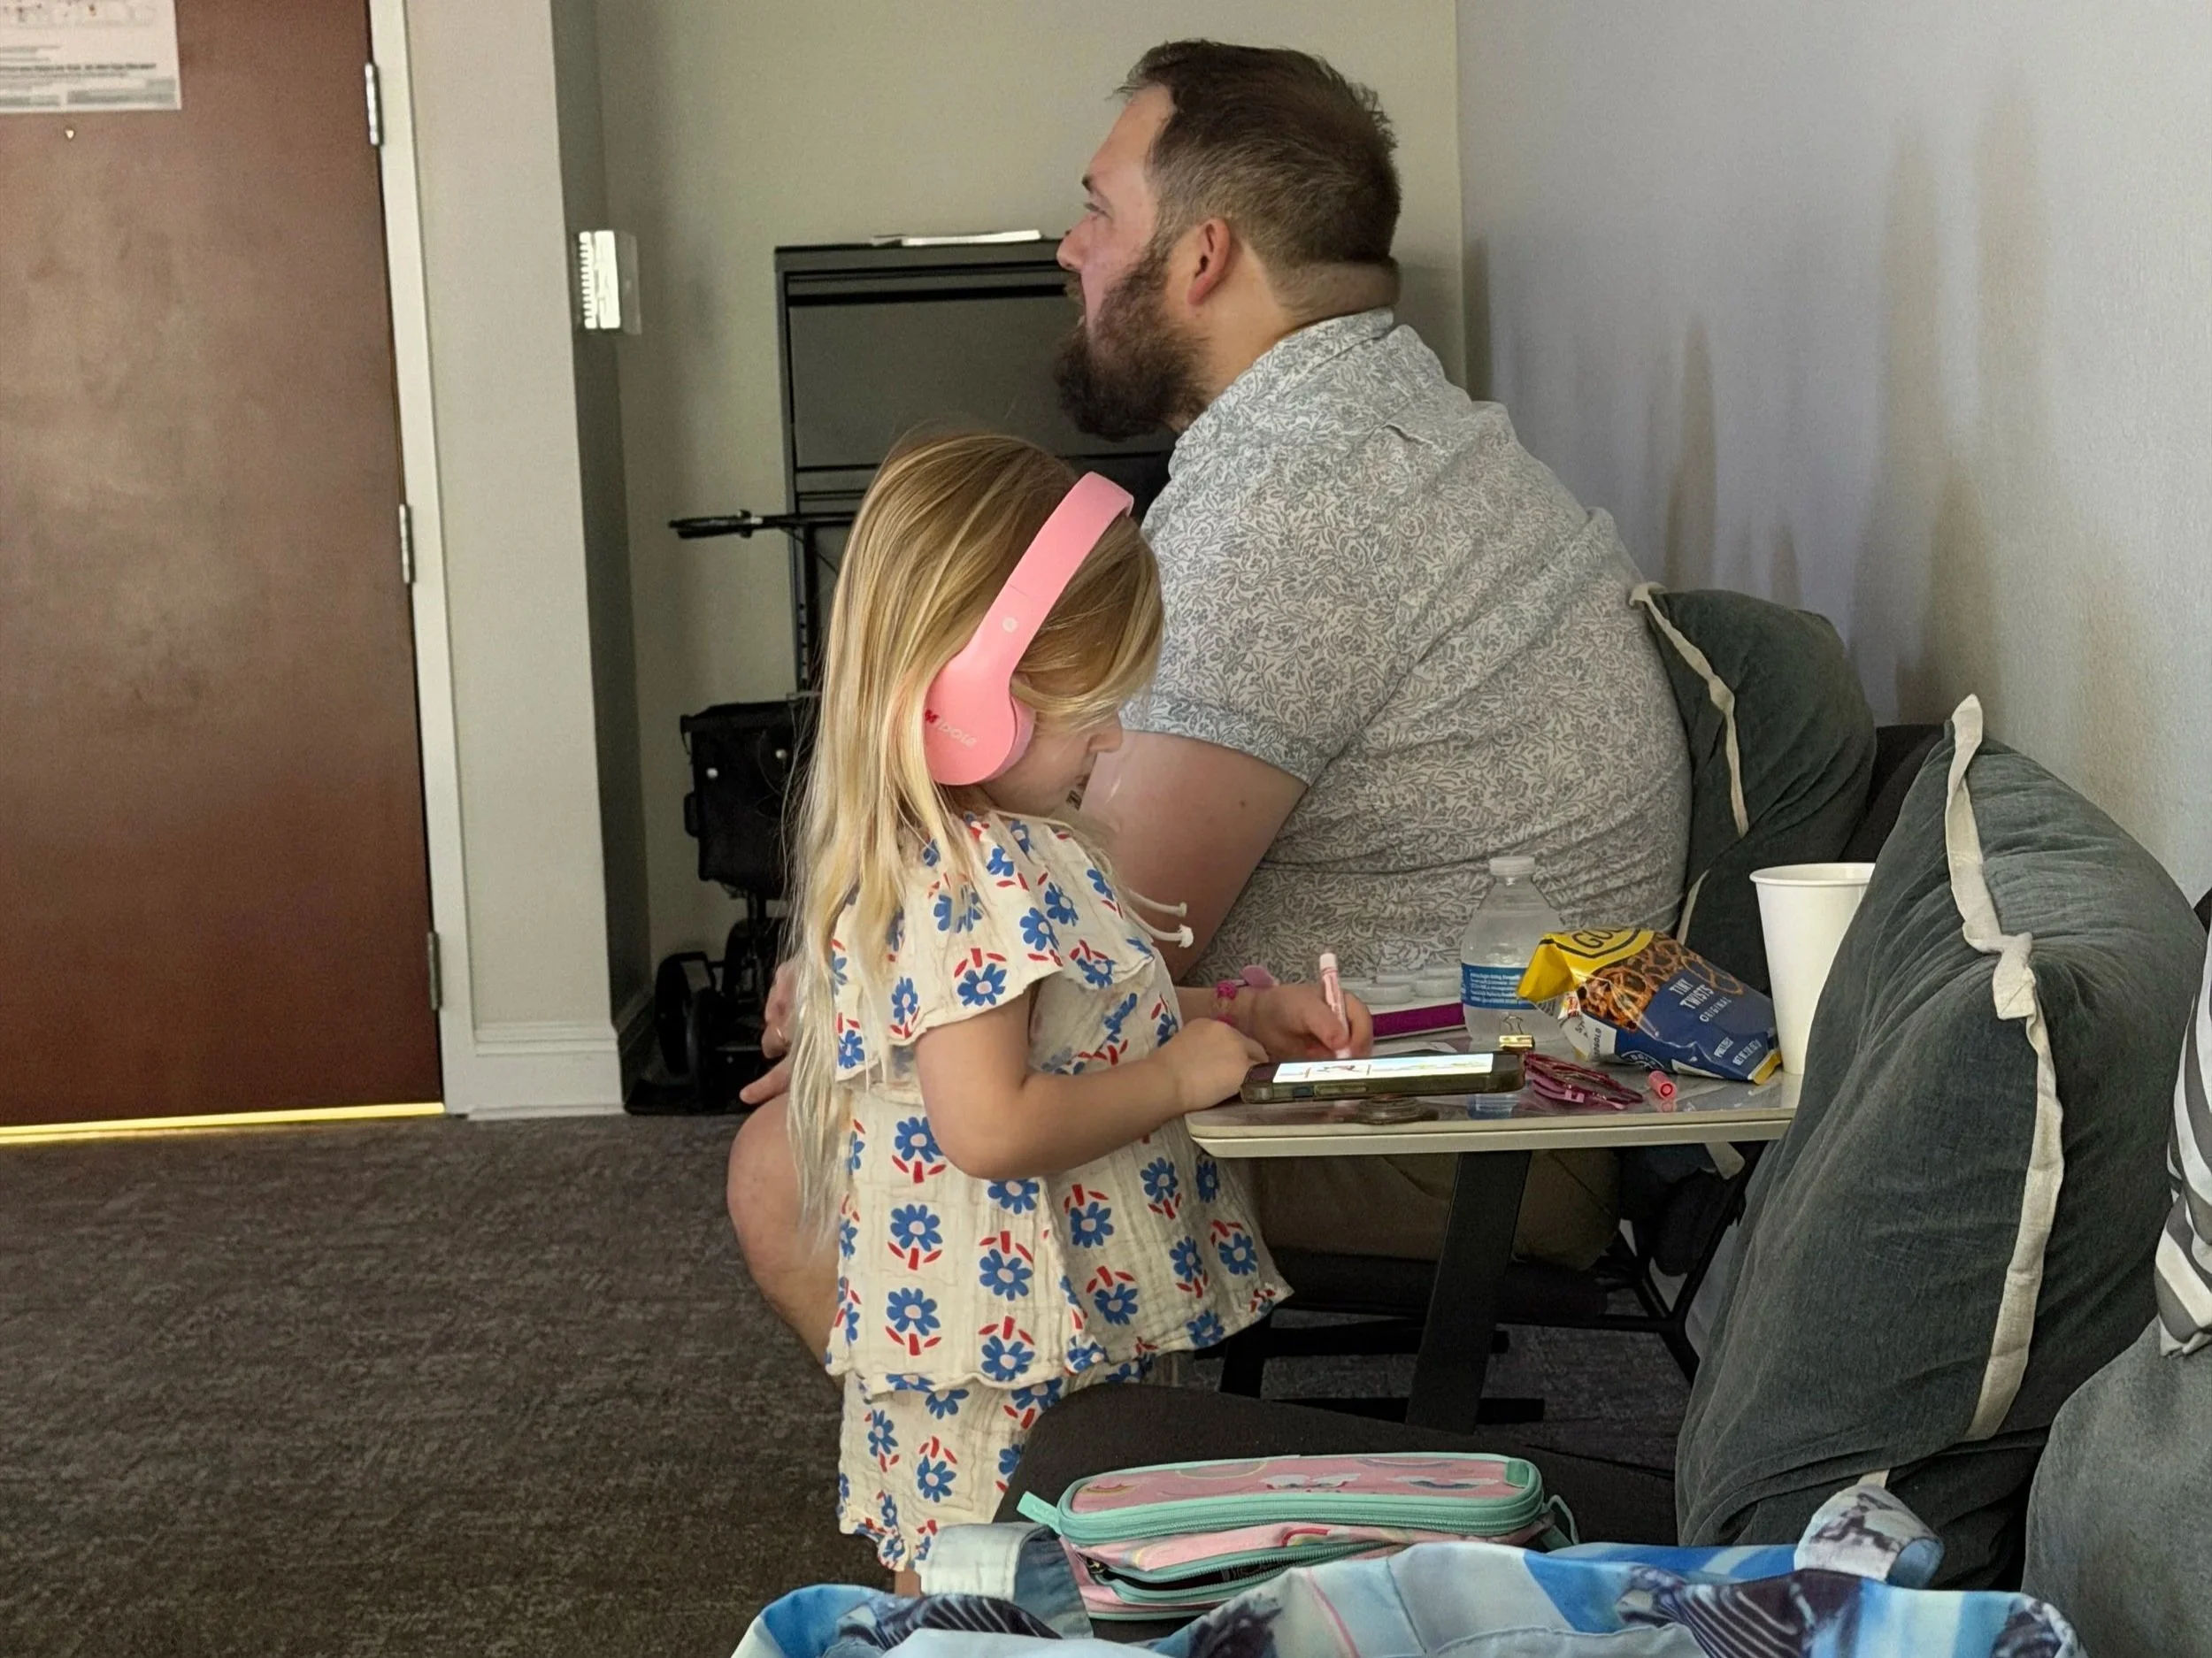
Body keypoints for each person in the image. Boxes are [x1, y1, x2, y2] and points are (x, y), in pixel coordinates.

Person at [1046, 40, 1693, 1267]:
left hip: (1438, 1123)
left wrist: (879, 987)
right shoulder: (1359, 422)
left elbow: (1112, 945)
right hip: (1465, 1078)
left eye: (1097, 210)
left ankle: (1037, 1466)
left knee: (816, 1171)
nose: (1070, 246)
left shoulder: (1299, 498)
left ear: (1202, 254)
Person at [774, 431, 1371, 1580]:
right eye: (1088, 703)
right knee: (983, 1581)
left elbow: (1082, 1016)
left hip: (1063, 1309)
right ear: (968, 697)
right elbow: (987, 1122)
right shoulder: (967, 881)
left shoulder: (1024, 847)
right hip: (1006, 1339)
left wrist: (1243, 1017)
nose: (1115, 733)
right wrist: (1175, 1081)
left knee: (1079, 1572)